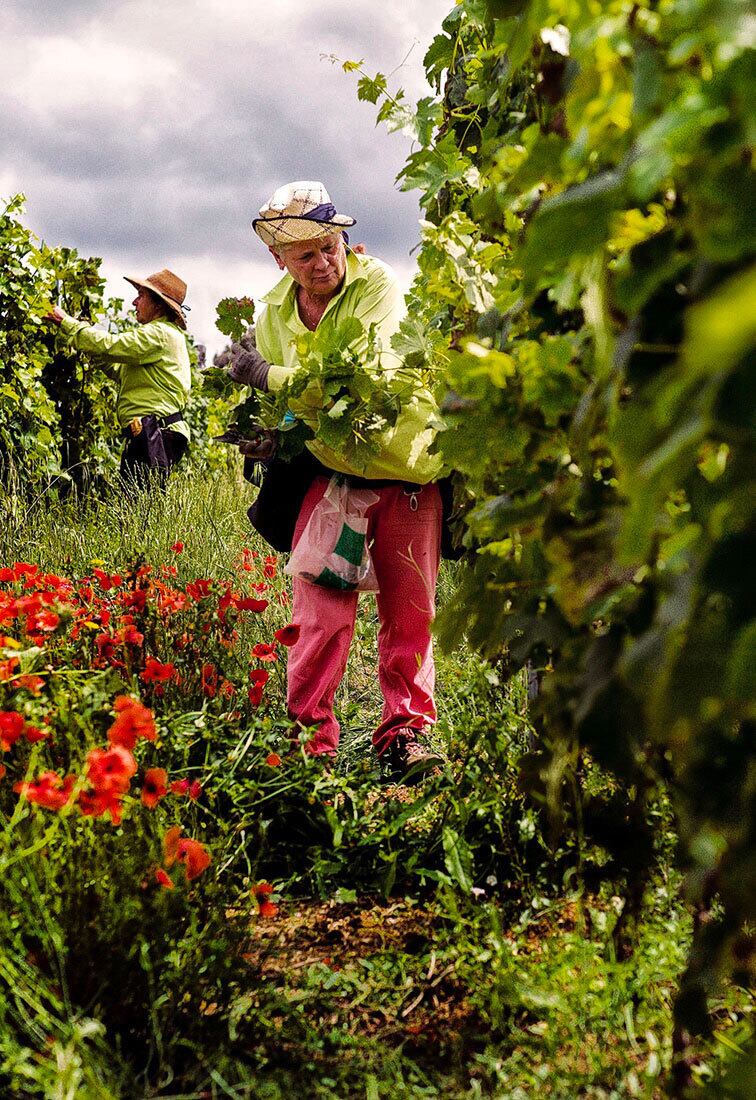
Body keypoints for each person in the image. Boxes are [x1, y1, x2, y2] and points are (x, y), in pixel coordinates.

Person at [227, 181, 445, 780]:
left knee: (411, 609)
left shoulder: (376, 285)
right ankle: (309, 740)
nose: (324, 262)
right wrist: (275, 432)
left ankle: (407, 735)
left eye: (331, 246)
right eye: (307, 255)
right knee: (320, 607)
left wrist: (266, 376)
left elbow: (357, 380)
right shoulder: (273, 311)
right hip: (336, 473)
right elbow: (304, 406)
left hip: (406, 470)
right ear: (280, 261)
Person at [47, 269, 191, 485]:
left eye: (141, 296)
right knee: (138, 507)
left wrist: (66, 322)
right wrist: (88, 343)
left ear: (159, 305)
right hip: (153, 432)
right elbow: (117, 368)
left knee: (139, 509)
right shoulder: (164, 336)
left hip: (154, 433)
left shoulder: (159, 333)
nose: (134, 302)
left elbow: (111, 346)